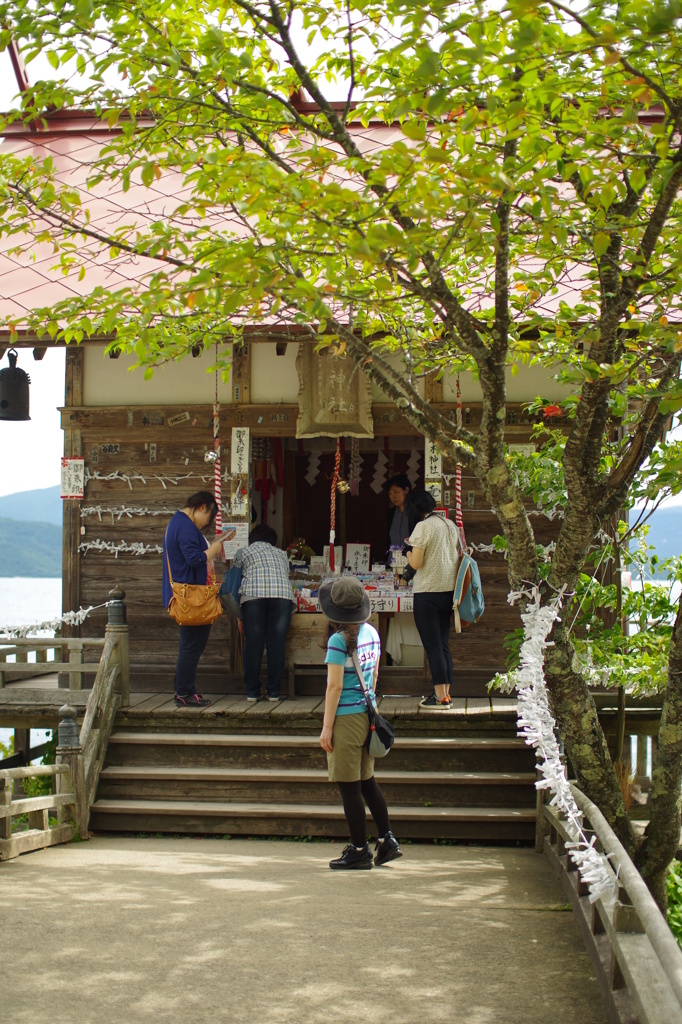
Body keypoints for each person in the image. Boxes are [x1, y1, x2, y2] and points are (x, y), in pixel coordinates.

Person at [319, 576, 402, 870]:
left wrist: (327, 727)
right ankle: (386, 839)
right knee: (367, 782)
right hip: (369, 714)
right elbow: (375, 677)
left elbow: (334, 688)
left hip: (345, 719)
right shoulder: (373, 634)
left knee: (349, 787)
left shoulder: (337, 641)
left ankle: (358, 850)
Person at [162, 490, 226, 708]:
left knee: (190, 645)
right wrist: (215, 548)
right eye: (208, 517)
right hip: (191, 596)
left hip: (188, 594)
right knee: (191, 646)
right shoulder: (186, 527)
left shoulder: (177, 523)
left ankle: (183, 688)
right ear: (202, 508)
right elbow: (195, 559)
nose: (206, 522)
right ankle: (184, 692)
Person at [404, 490, 461, 710]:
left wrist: (406, 552)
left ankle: (439, 697)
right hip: (447, 593)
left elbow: (416, 563)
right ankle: (445, 694)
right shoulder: (449, 524)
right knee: (443, 644)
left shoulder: (423, 526)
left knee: (433, 646)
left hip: (427, 593)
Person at [233, 523, 295, 702]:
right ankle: (274, 692)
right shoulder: (282, 554)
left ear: (252, 538)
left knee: (254, 644)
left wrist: (238, 613)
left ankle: (252, 691)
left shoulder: (243, 552)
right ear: (272, 541)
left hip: (253, 596)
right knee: (276, 644)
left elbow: (236, 580)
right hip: (282, 596)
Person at [385, 473, 412, 555]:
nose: (393, 496)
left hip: (411, 562)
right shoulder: (391, 513)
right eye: (390, 494)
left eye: (396, 492)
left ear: (406, 490)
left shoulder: (415, 512)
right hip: (393, 562)